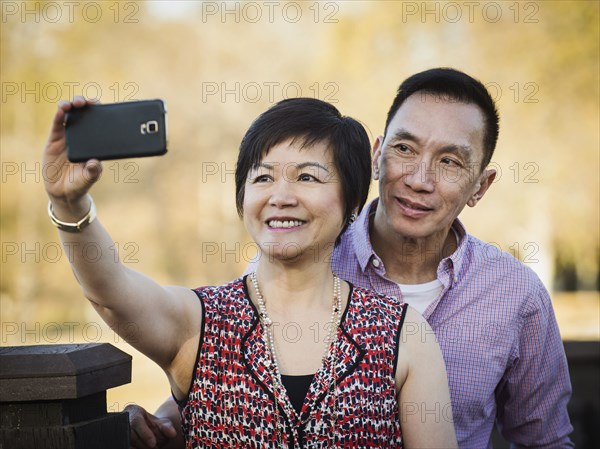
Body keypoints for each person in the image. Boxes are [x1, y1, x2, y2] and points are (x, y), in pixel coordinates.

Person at [128, 68, 574, 449]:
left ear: (481, 185)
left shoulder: (516, 295)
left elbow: (544, 440)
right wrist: (170, 420)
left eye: (450, 162)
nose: (418, 179)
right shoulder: (297, 255)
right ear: (376, 155)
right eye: (404, 149)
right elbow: (231, 378)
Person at [43, 96, 457, 448]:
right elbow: (110, 291)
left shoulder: (401, 333)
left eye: (307, 177)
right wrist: (69, 204)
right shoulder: (199, 320)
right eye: (262, 177)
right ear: (243, 198)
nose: (280, 196)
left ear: (351, 200)